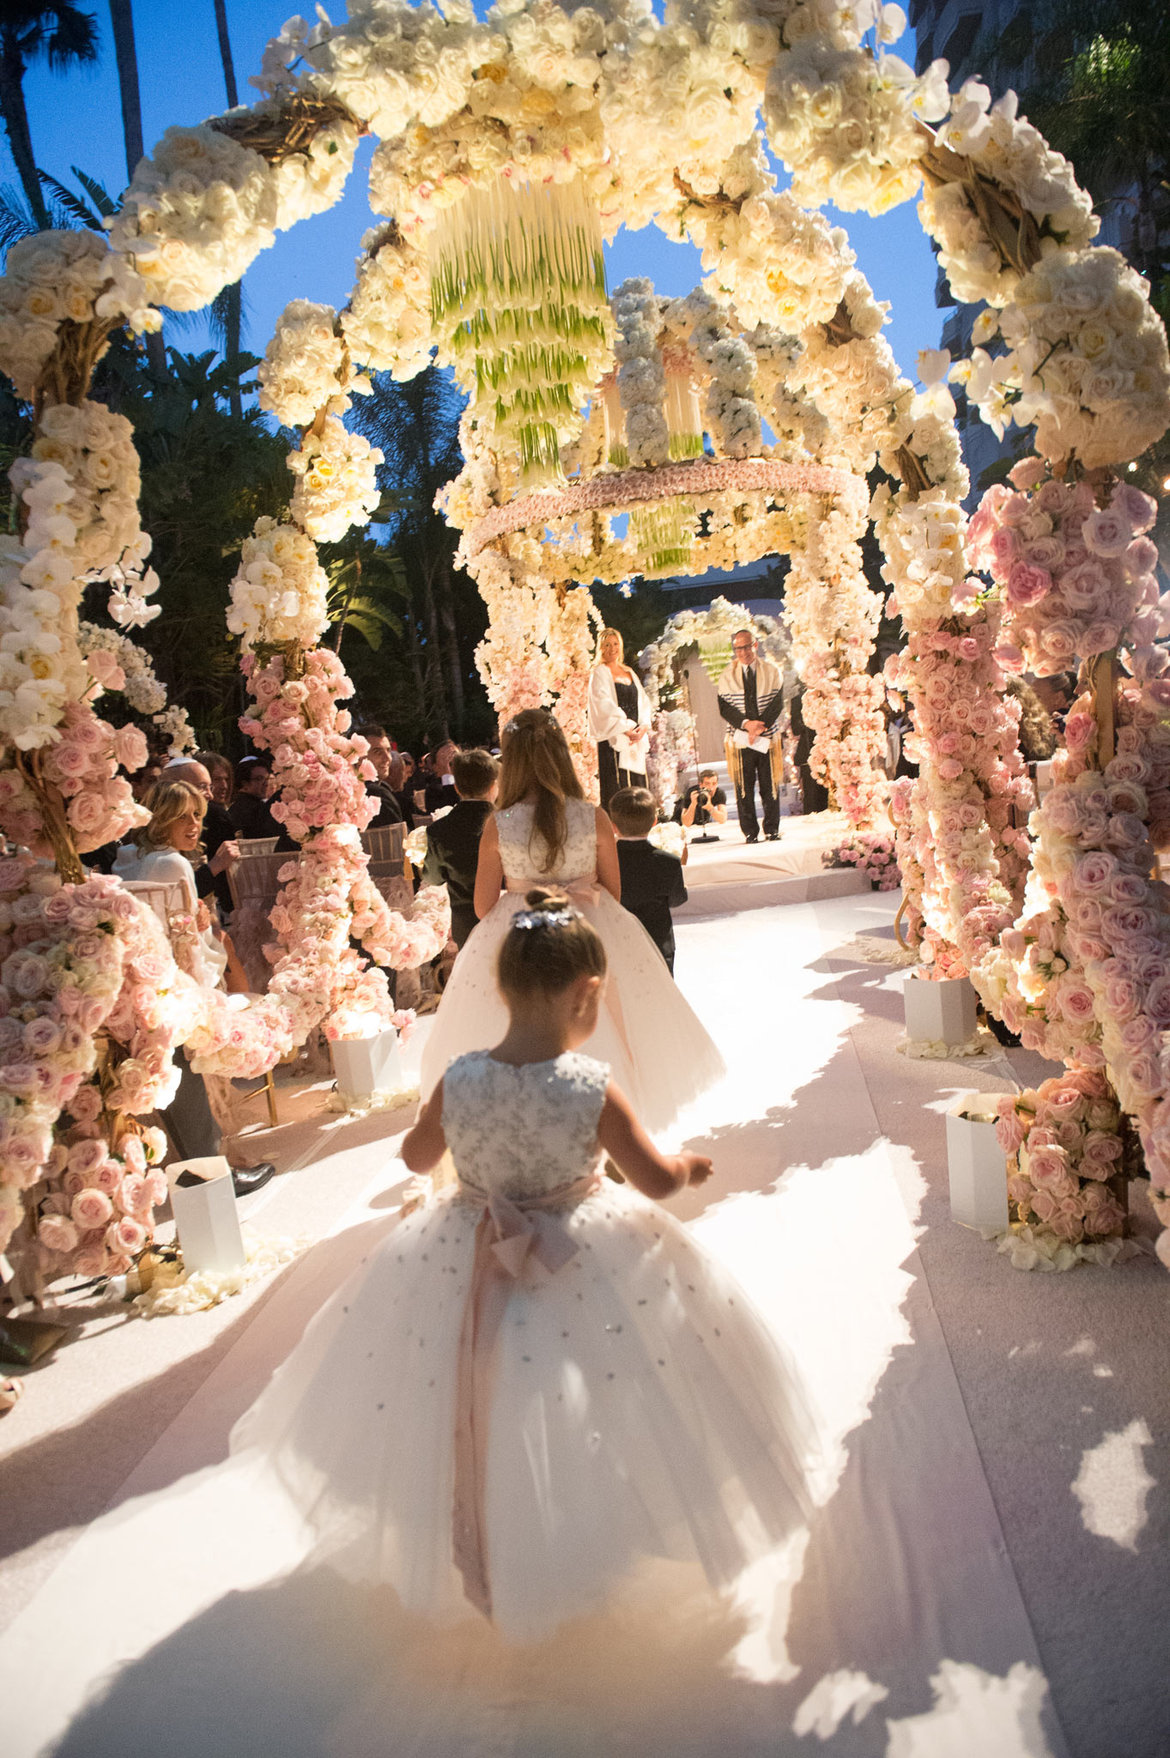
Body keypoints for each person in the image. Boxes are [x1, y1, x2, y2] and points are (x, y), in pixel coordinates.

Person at [232, 890, 815, 1642]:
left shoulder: (461, 1076)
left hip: (462, 1241)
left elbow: (415, 1157)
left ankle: (480, 1540)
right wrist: (690, 1168)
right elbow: (656, 1181)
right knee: (592, 1391)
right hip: (580, 1241)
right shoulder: (591, 1087)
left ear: (502, 990)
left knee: (462, 1390)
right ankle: (578, 1534)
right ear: (588, 994)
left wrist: (464, 1156)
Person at [418, 708, 724, 1133]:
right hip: (589, 927)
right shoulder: (592, 815)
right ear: (562, 754)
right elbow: (613, 891)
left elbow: (484, 905)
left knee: (523, 1028)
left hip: (522, 932)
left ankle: (537, 1128)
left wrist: (521, 894)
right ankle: (612, 1127)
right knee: (601, 1021)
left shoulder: (499, 824)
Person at [113, 780, 274, 1196]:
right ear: (161, 817)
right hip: (178, 981)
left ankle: (206, 1170)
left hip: (144, 982)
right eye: (182, 815)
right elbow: (189, 943)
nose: (193, 824)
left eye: (198, 815)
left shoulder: (130, 859)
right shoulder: (174, 865)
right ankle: (212, 1175)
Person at [420, 747, 499, 949]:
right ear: (493, 785)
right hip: (506, 920)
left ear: (456, 787)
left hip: (466, 928)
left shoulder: (439, 831)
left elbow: (433, 878)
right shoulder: (507, 825)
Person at [610, 786, 688, 973]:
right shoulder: (668, 861)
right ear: (654, 822)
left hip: (618, 939)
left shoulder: (607, 862)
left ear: (613, 825)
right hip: (658, 940)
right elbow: (678, 899)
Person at [717, 629, 785, 843]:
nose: (743, 652)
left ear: (755, 646)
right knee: (744, 787)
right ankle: (750, 831)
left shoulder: (772, 671)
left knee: (769, 784)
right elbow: (725, 707)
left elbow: (777, 702)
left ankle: (772, 829)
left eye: (747, 646)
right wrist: (747, 725)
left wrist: (759, 727)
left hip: (767, 736)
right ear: (734, 650)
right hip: (741, 739)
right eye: (739, 648)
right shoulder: (727, 674)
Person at [588, 626, 653, 809]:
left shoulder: (629, 672)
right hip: (615, 736)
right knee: (618, 785)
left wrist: (644, 727)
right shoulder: (599, 672)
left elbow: (643, 701)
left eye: (615, 644)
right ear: (600, 648)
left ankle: (641, 821)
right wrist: (625, 728)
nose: (612, 648)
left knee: (638, 784)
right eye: (607, 644)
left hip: (635, 737)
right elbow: (603, 703)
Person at [165, 756, 238, 917]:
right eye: (202, 787)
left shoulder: (214, 815)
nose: (210, 795)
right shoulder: (164, 855)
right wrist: (215, 865)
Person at [356, 723, 404, 829]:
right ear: (359, 757)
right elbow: (398, 840)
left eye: (388, 750)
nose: (387, 758)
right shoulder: (377, 794)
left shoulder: (380, 788)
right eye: (377, 752)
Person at [228, 757, 283, 841]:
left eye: (267, 779)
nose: (266, 783)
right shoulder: (253, 809)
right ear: (245, 784)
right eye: (259, 779)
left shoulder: (239, 806)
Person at [673, 768, 728, 843]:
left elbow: (722, 819)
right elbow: (686, 823)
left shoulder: (719, 793)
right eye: (707, 784)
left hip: (702, 823)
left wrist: (710, 807)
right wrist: (693, 804)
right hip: (680, 825)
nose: (711, 788)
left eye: (714, 783)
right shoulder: (692, 792)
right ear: (700, 784)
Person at [417, 739, 459, 816]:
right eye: (444, 757)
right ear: (435, 767)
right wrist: (448, 776)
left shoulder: (469, 782)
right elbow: (451, 808)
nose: (451, 759)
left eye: (454, 754)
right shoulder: (433, 790)